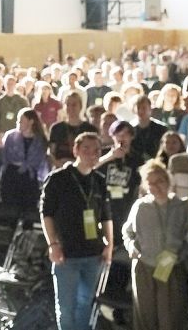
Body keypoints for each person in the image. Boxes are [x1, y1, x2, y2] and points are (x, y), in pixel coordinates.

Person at [40, 132, 114, 330]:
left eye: (97, 150)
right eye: (86, 149)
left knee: (85, 302)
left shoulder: (99, 180)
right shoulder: (58, 179)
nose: (92, 154)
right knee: (66, 305)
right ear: (76, 150)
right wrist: (53, 244)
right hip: (66, 252)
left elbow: (106, 215)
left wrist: (109, 245)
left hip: (93, 252)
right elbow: (46, 214)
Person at [122, 159, 188, 330]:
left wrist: (182, 255)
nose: (155, 186)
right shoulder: (140, 206)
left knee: (172, 318)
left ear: (168, 180)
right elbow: (127, 232)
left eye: (159, 181)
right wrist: (131, 247)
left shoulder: (182, 206)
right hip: (144, 267)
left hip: (172, 268)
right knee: (145, 317)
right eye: (150, 183)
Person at [0, 107, 50, 215]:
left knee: (28, 212)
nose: (18, 123)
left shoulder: (40, 140)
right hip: (11, 176)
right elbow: (5, 159)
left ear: (31, 122)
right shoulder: (10, 136)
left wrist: (26, 165)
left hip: (29, 179)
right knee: (10, 212)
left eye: (21, 120)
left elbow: (40, 161)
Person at [48, 92, 96, 168]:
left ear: (80, 106)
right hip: (60, 169)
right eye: (67, 105)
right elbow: (51, 153)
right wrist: (60, 165)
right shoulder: (56, 128)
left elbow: (94, 153)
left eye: (74, 105)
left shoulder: (90, 129)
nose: (70, 108)